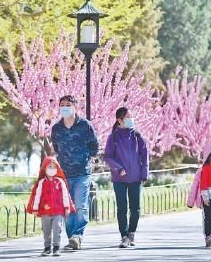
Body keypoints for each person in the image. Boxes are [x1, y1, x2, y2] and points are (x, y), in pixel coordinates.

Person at [51, 95, 99, 250]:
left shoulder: (85, 125)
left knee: (80, 205)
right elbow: (56, 148)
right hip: (63, 174)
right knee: (67, 207)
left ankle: (77, 236)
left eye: (68, 104)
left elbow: (94, 145)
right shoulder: (56, 128)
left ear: (75, 107)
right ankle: (71, 237)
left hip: (82, 173)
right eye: (62, 104)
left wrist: (86, 157)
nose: (65, 107)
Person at [104, 107, 149, 248]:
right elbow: (107, 157)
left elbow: (145, 157)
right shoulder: (113, 137)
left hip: (135, 178)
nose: (131, 119)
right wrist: (118, 168)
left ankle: (131, 233)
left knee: (135, 208)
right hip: (119, 179)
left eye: (131, 116)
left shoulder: (138, 137)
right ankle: (124, 236)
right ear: (119, 120)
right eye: (128, 117)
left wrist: (144, 174)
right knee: (122, 208)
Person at [27, 156, 75, 256]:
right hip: (45, 212)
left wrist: (67, 207)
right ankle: (47, 248)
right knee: (46, 230)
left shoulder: (60, 181)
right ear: (44, 168)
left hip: (58, 211)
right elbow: (37, 196)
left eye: (54, 167)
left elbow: (65, 195)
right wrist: (35, 208)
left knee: (57, 228)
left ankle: (56, 248)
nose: (52, 169)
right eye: (49, 167)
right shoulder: (41, 182)